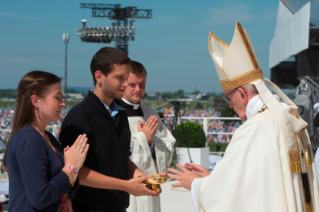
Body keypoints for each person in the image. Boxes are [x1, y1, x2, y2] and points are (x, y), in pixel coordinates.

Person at [168, 22, 319, 212]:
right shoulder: (288, 115)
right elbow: (260, 181)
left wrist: (197, 185)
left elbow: (235, 198)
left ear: (242, 93)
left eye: (229, 98)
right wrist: (211, 178)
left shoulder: (254, 128)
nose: (230, 105)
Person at [59, 47, 160, 212]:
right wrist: (125, 185)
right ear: (99, 76)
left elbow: (122, 159)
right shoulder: (79, 117)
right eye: (120, 78)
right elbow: (75, 171)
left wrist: (144, 178)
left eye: (126, 77)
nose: (125, 84)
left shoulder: (119, 113)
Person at [4, 70, 89, 212]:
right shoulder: (29, 139)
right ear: (36, 101)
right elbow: (40, 197)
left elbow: (63, 189)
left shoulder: (47, 138)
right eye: (57, 97)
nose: (62, 103)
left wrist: (72, 171)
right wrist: (70, 168)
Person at [118, 61, 176, 212]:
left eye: (142, 84)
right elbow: (114, 152)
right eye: (132, 84)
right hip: (126, 189)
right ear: (123, 83)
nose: (138, 89)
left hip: (150, 186)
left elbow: (168, 148)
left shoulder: (152, 114)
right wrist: (143, 140)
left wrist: (151, 144)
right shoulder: (113, 114)